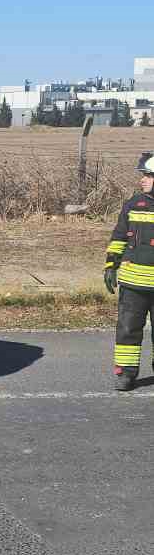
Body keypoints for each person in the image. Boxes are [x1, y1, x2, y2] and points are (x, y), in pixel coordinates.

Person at [104, 151, 154, 391]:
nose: (142, 180)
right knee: (127, 330)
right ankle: (126, 373)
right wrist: (111, 264)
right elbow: (119, 236)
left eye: (147, 175)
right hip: (133, 283)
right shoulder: (133, 204)